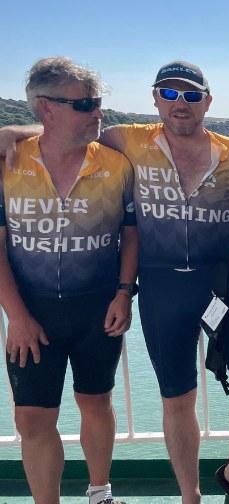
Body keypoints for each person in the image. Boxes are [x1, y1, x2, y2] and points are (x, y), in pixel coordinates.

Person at [104, 61, 229, 503]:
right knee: (177, 398)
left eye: (192, 95)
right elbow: (66, 131)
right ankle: (190, 496)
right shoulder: (126, 140)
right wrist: (11, 135)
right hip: (160, 286)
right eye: (171, 94)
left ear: (208, 102)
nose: (181, 103)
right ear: (155, 98)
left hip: (220, 282)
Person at [1, 57, 137, 504]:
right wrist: (16, 317)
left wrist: (124, 293)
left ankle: (100, 494)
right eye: (84, 104)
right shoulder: (8, 163)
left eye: (97, 103)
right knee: (32, 421)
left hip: (97, 307)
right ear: (46, 109)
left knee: (96, 402)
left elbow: (129, 232)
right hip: (32, 310)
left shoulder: (118, 165)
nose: (97, 112)